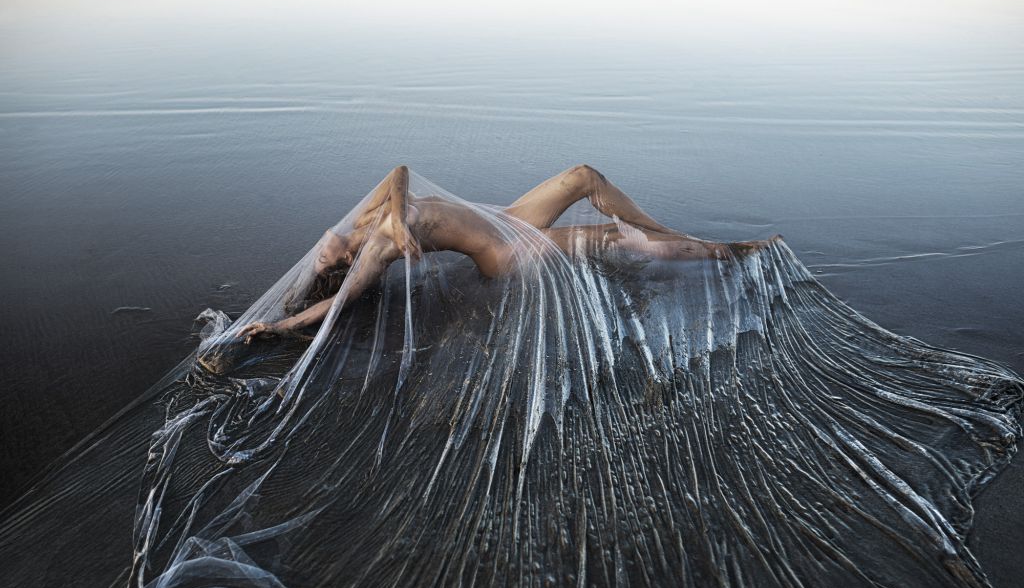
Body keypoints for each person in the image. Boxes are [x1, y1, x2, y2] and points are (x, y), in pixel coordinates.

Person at [239, 165, 776, 343]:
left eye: (317, 252)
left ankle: (659, 230)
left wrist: (400, 216)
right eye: (322, 263)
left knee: (583, 176)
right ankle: (723, 254)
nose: (319, 251)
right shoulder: (373, 253)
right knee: (612, 242)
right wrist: (282, 329)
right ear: (340, 266)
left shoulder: (371, 217)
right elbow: (335, 306)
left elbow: (398, 170)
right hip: (505, 250)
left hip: (507, 219)